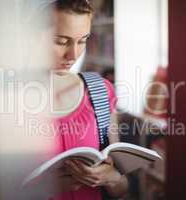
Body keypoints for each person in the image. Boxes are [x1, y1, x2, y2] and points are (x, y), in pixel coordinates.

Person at [32, 0, 129, 199]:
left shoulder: (101, 91)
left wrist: (112, 177)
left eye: (82, 40)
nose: (73, 54)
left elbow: (122, 189)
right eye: (60, 41)